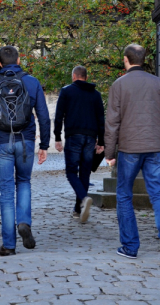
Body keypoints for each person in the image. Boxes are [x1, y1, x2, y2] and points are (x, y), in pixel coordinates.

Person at [104, 44, 160, 263]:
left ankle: (130, 246)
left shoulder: (119, 85)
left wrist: (109, 153)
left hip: (129, 148)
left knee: (124, 195)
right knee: (158, 194)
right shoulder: (159, 83)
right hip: (155, 147)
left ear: (126, 59)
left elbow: (112, 122)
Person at [0, 46, 50, 256]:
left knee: (7, 191)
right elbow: (44, 117)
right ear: (19, 60)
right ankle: (24, 222)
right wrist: (44, 145)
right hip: (25, 141)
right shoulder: (32, 81)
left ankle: (9, 245)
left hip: (0, 142)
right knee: (24, 182)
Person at [54, 65, 105, 223]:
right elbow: (101, 119)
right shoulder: (96, 95)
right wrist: (101, 141)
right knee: (85, 173)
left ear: (74, 76)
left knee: (71, 172)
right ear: (86, 77)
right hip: (90, 138)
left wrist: (57, 137)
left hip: (73, 136)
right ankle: (78, 209)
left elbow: (59, 115)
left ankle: (83, 199)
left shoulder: (67, 91)